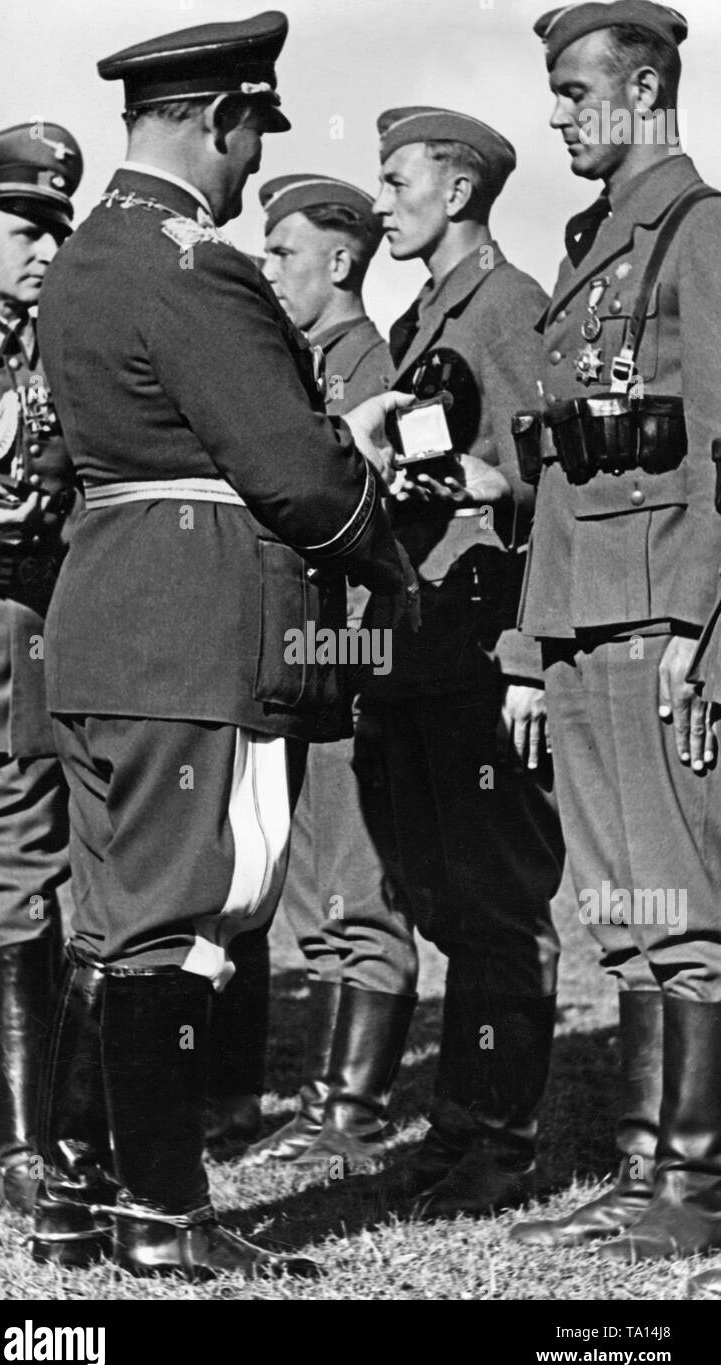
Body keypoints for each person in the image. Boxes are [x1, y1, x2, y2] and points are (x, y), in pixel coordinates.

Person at [29, 13, 416, 1281]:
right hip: (195, 631)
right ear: (212, 120)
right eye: (252, 135)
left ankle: (76, 1193)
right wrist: (385, 562)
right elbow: (297, 475)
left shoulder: (85, 257)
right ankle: (164, 1212)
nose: (252, 171)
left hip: (100, 628)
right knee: (192, 926)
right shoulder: (191, 264)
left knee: (110, 923)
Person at [510, 1, 721, 1266]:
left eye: (574, 91)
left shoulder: (697, 233)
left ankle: (695, 1182)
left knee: (684, 902)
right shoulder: (593, 240)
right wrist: (534, 643)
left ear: (640, 90)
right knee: (624, 904)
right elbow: (554, 467)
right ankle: (640, 1167)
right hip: (584, 611)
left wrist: (701, 623)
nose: (556, 115)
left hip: (657, 609)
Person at [363, 107, 564, 1219]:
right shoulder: (418, 318)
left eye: (397, 182)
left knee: (493, 903)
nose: (383, 201)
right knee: (442, 899)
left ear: (458, 193)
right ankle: (458, 1122)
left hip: (487, 651)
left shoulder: (510, 306)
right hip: (423, 651)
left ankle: (499, 1137)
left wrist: (532, 659)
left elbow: (557, 488)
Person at [222, 175, 417, 1168]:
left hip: (352, 658)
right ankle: (323, 1105)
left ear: (339, 262)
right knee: (305, 892)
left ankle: (352, 1116)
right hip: (308, 661)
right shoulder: (303, 366)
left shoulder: (365, 367)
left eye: (283, 251)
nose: (268, 268)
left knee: (354, 889)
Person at [0, 124, 80, 1210]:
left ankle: (19, 1149)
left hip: (23, 658)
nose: (45, 245)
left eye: (56, 225)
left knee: (19, 894)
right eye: (24, 224)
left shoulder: (62, 352)